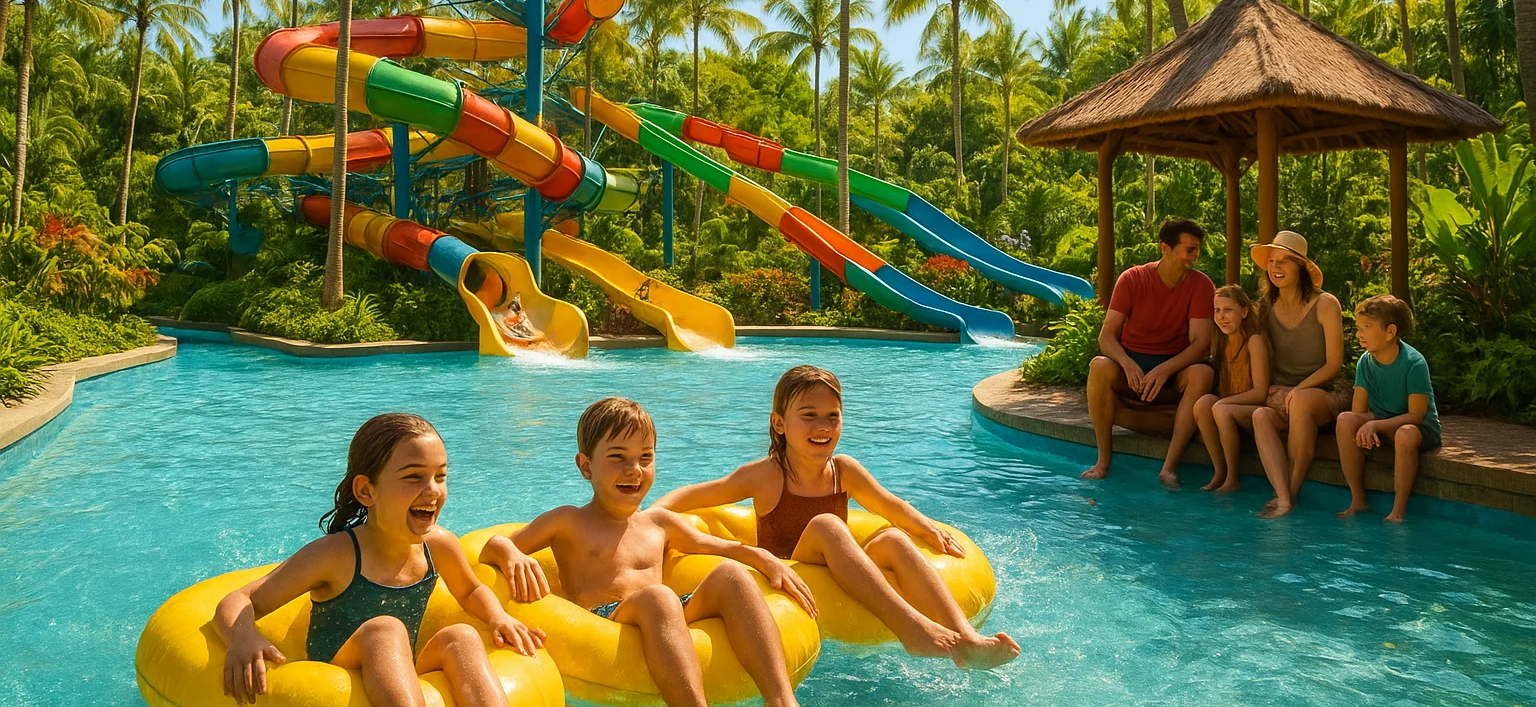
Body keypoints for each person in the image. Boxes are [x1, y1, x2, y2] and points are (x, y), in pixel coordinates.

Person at [656, 365, 1019, 671]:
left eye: (832, 416)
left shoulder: (843, 469)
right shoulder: (767, 475)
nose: (823, 426)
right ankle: (913, 630)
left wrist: (927, 528)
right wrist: (653, 515)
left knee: (892, 538)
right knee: (828, 525)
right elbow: (701, 493)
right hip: (791, 570)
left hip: (838, 564)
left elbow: (888, 504)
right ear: (779, 424)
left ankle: (966, 638)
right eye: (809, 416)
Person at [478, 397, 815, 707]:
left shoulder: (660, 523)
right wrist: (513, 555)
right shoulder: (568, 521)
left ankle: (782, 700)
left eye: (645, 457)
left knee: (732, 576)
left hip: (668, 614)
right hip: (605, 620)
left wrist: (766, 559)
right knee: (659, 597)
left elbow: (719, 547)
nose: (633, 469)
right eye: (617, 457)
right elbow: (495, 545)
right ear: (586, 466)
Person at [214, 413, 544, 707]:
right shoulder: (336, 555)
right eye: (414, 476)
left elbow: (471, 592)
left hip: (401, 676)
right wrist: (243, 637)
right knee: (385, 629)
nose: (432, 491)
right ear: (366, 491)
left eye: (440, 476)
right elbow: (241, 600)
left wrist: (499, 617)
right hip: (336, 680)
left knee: (462, 636)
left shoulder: (439, 545)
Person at [1081, 218, 1216, 486]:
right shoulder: (1132, 279)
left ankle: (1169, 468)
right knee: (1099, 365)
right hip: (1132, 364)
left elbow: (1201, 343)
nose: (1194, 256)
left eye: (1197, 249)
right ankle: (1102, 461)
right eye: (1189, 249)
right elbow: (1106, 336)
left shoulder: (1201, 285)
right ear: (1165, 248)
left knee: (1202, 373)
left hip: (1175, 368)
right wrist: (1127, 364)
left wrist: (1166, 369)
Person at [1248, 231, 1353, 519]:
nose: (1275, 267)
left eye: (1285, 261)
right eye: (1272, 261)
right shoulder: (1267, 306)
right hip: (1284, 394)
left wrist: (1297, 391)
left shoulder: (1326, 304)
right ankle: (1282, 494)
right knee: (1260, 416)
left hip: (1327, 391)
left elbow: (1333, 364)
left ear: (1302, 268)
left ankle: (1289, 496)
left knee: (1302, 402)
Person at [1336, 295, 1442, 523]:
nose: (1358, 334)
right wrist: (1364, 428)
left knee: (1404, 433)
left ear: (1390, 332)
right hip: (1384, 423)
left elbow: (1416, 415)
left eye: (1367, 327)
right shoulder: (1365, 361)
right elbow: (1358, 412)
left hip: (1417, 429)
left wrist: (1374, 424)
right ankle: (1358, 501)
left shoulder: (1414, 363)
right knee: (1345, 420)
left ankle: (1398, 512)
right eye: (1358, 327)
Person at [1193, 285, 1271, 492]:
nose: (1221, 317)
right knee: (1202, 404)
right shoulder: (1221, 342)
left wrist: (1223, 403)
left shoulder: (1254, 341)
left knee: (1219, 408)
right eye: (1217, 311)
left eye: (1228, 310)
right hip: (1226, 413)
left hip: (1252, 412)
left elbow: (1261, 392)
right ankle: (1220, 471)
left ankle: (1233, 478)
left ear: (1244, 312)